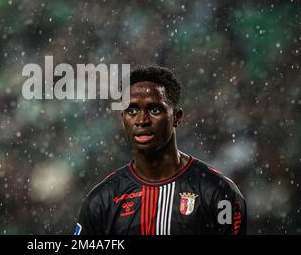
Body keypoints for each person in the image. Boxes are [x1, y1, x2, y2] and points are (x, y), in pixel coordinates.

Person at [75, 65, 247, 235]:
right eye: (132, 110)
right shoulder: (101, 200)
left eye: (154, 109)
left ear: (177, 118)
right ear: (123, 118)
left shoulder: (218, 193)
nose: (141, 120)